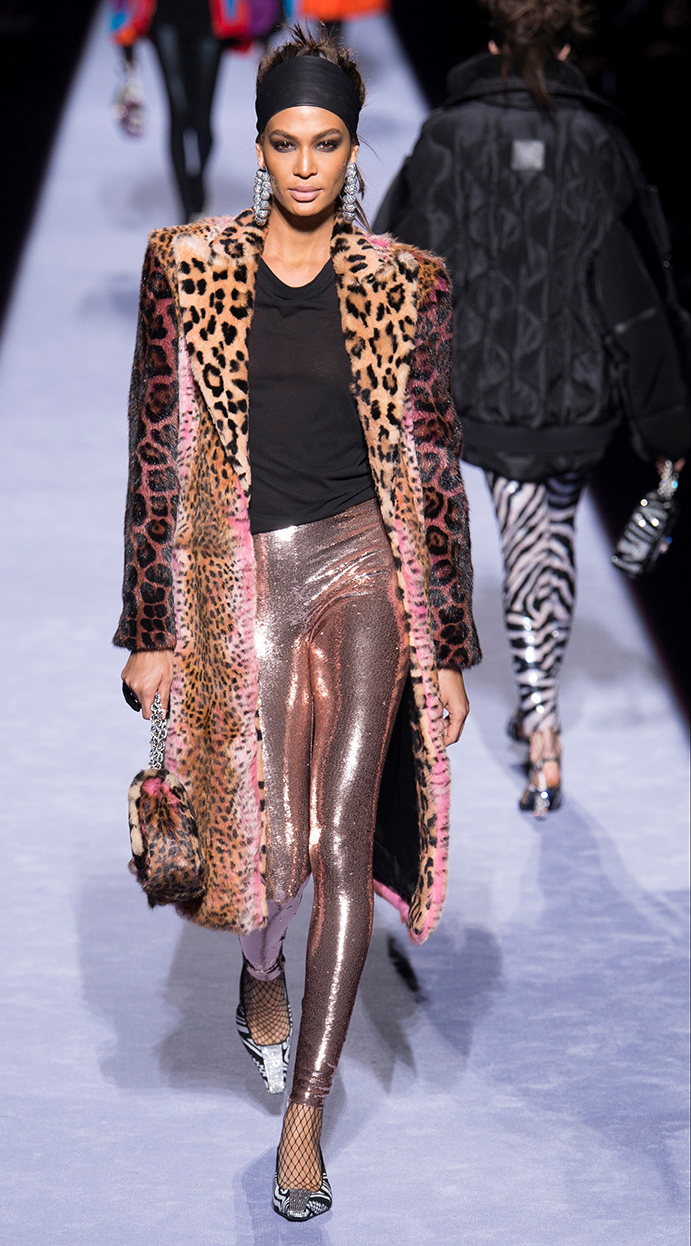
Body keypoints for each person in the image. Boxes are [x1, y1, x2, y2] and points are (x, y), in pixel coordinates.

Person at [115, 26, 481, 1221]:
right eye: (287, 142)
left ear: (354, 148)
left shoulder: (404, 284)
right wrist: (151, 624)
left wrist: (448, 646)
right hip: (248, 578)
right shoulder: (187, 269)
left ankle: (305, 1116)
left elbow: (434, 468)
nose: (308, 164)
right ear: (260, 145)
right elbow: (157, 456)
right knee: (265, 852)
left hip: (365, 570)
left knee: (338, 840)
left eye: (327, 143)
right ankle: (259, 969)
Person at [376, 0, 689, 817]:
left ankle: (542, 722)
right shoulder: (596, 143)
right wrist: (664, 422)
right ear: (566, 49)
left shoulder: (448, 137)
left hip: (485, 387)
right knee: (547, 535)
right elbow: (636, 289)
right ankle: (540, 704)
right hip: (578, 389)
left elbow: (392, 264)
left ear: (490, 43)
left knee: (526, 542)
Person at [111, 0, 226, 222]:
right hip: (165, 14)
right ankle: (187, 209)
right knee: (178, 113)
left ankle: (197, 186)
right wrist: (125, 39)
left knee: (202, 118)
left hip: (210, 16)